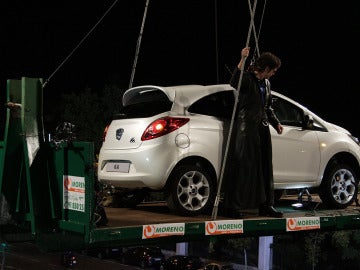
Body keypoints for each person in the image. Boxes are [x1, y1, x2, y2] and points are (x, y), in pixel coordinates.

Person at [223, 47, 284, 218]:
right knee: (243, 167)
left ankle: (266, 205)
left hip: (262, 128)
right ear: (265, 68)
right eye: (273, 70)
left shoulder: (266, 83)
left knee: (265, 168)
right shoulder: (248, 80)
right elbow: (234, 81)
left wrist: (275, 122)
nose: (273, 73)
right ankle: (232, 207)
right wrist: (242, 58)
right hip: (247, 128)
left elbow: (267, 106)